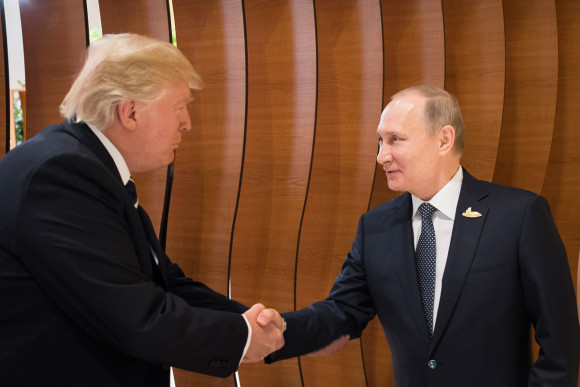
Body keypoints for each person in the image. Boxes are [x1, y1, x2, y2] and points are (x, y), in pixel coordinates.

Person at [0, 33, 284, 386]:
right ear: (130, 111)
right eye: (179, 105)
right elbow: (134, 316)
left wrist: (253, 321)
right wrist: (242, 337)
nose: (187, 123)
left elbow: (163, 280)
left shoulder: (79, 162)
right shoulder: (60, 174)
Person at [264, 85, 580, 386]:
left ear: (444, 139)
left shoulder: (520, 215)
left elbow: (560, 341)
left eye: (395, 140)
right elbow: (342, 312)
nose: (381, 156)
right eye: (380, 141)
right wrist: (285, 329)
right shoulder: (375, 227)